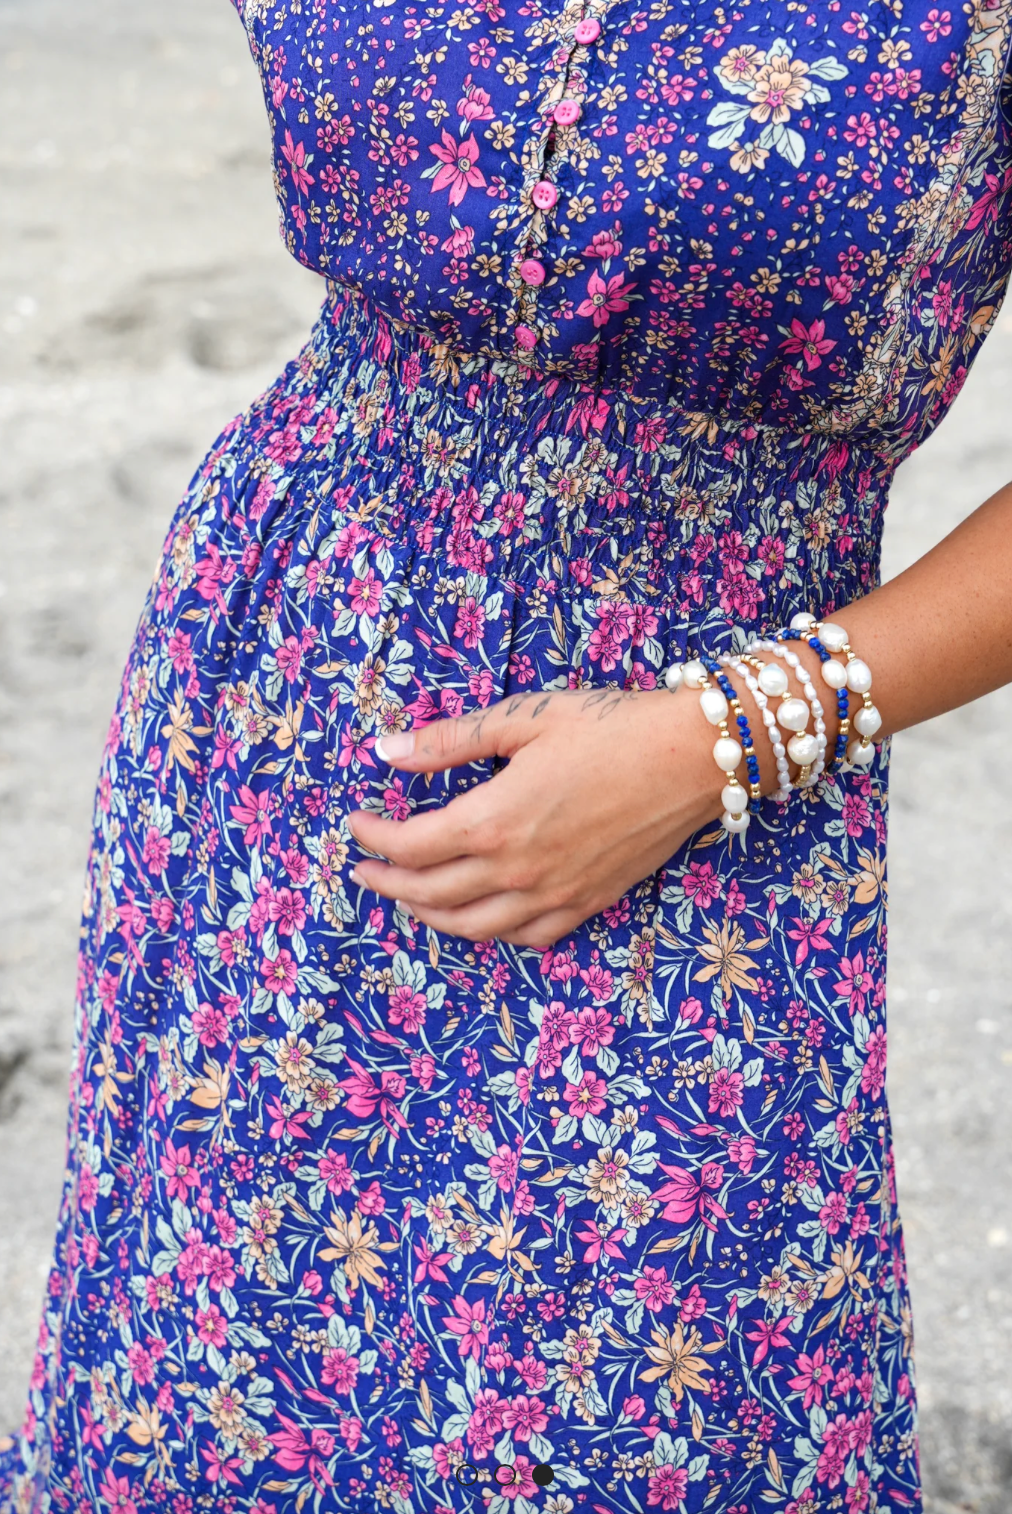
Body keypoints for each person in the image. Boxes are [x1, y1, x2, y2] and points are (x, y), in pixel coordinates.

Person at [3, 0, 1012, 1509]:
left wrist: (727, 735)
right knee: (216, 1400)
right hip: (279, 723)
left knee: (646, 1416)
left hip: (708, 801)